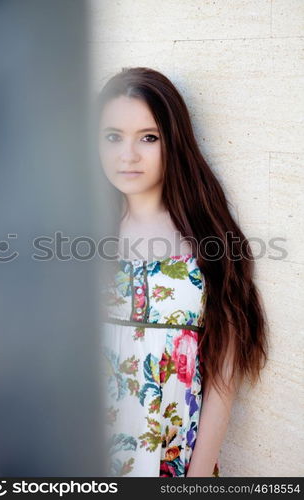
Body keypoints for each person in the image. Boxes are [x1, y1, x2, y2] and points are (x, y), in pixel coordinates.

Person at [95, 67, 269, 477]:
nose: (128, 155)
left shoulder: (207, 241)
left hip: (171, 459)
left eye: (149, 138)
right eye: (113, 137)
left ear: (174, 141)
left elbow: (224, 375)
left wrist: (198, 476)